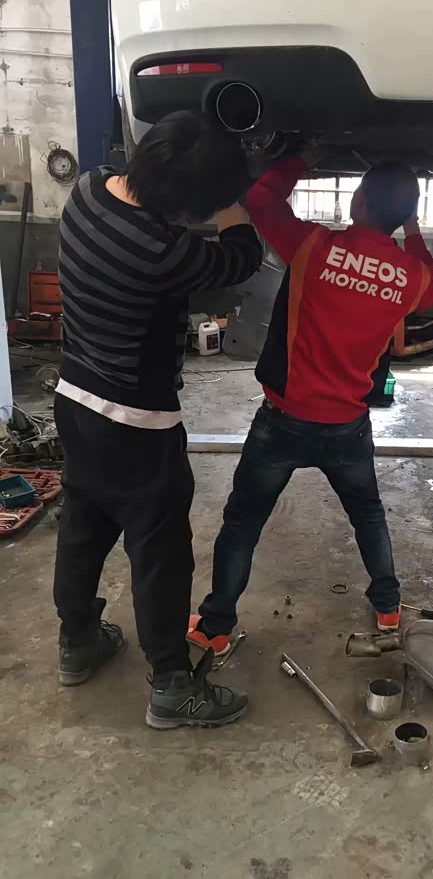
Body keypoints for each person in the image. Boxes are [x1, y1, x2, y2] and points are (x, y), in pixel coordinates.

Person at [53, 110, 262, 729]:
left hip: (75, 398)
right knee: (161, 551)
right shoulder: (164, 252)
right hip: (136, 422)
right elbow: (241, 258)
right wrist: (234, 198)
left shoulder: (87, 190)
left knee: (84, 524)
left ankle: (77, 642)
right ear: (185, 206)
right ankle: (172, 685)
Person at [188, 148, 433, 657]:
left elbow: (261, 198)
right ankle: (388, 607)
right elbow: (430, 282)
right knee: (368, 515)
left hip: (283, 422)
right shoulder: (412, 279)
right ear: (404, 213)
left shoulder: (314, 246)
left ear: (358, 201)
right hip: (349, 426)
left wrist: (303, 156)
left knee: (243, 523)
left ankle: (215, 627)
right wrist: (411, 227)